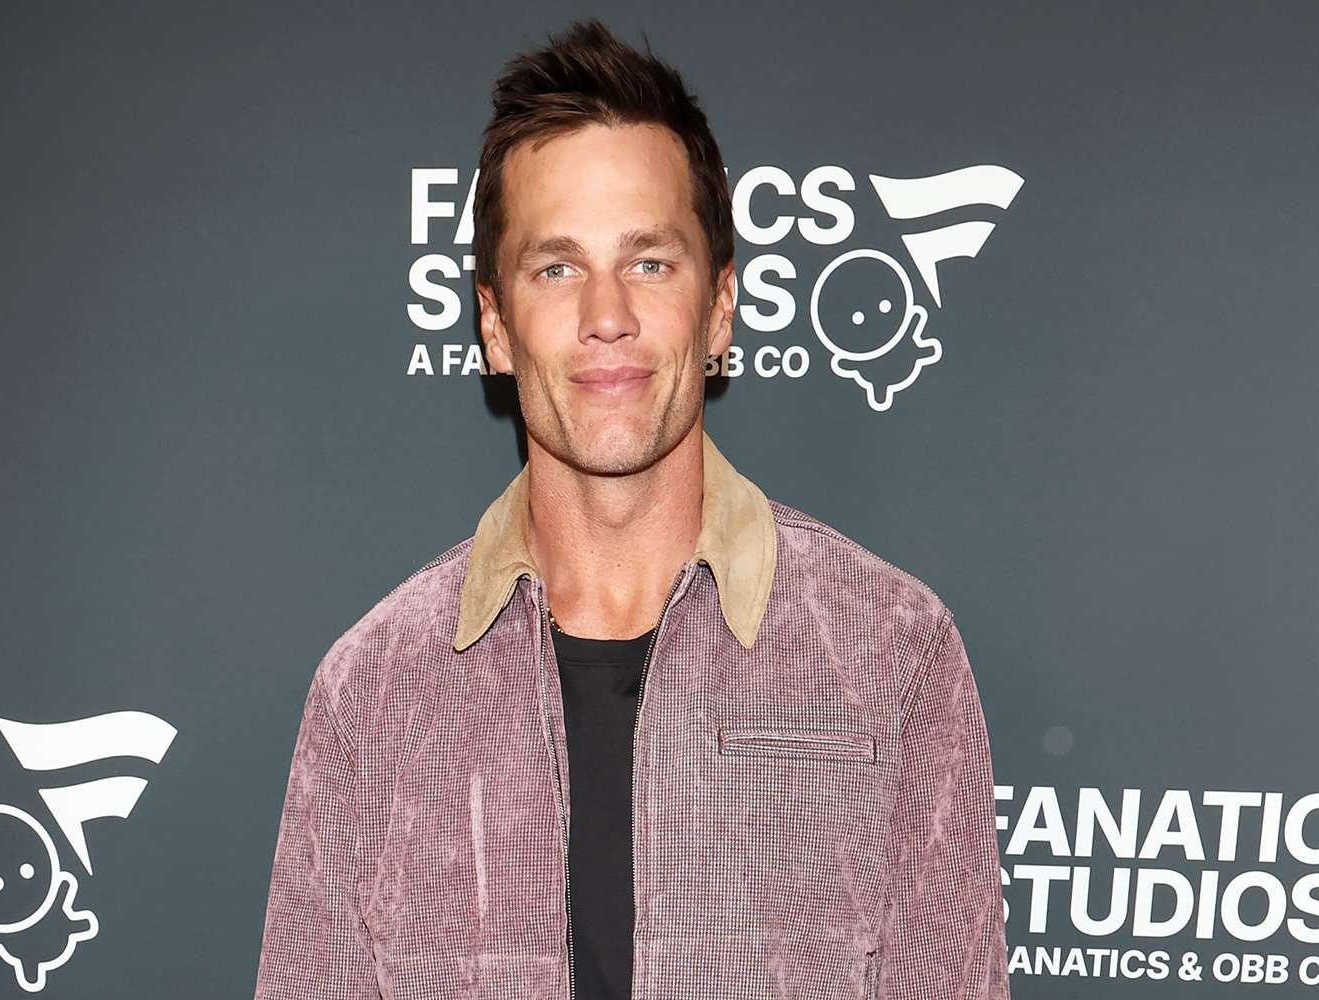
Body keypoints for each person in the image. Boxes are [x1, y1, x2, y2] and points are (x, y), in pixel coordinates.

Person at [254, 18, 1009, 999]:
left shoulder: (891, 654)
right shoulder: (373, 694)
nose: (605, 314)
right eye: (556, 267)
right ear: (494, 325)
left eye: (649, 261)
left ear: (721, 306)